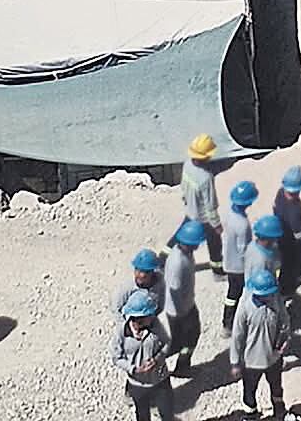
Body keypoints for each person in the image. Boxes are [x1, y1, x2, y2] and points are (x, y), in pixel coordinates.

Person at [229, 269, 289, 421]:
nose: (269, 297)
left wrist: (284, 340)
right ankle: (251, 415)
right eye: (266, 295)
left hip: (274, 358)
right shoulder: (245, 307)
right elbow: (237, 336)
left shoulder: (276, 300)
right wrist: (235, 362)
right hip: (251, 361)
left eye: (271, 293)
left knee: (276, 387)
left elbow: (284, 321)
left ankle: (279, 413)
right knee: (249, 390)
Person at [112, 291, 176, 421]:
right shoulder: (122, 332)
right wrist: (134, 369)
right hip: (137, 385)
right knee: (142, 416)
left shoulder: (156, 325)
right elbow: (116, 357)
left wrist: (158, 359)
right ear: (139, 318)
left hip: (160, 380)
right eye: (149, 314)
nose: (153, 316)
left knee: (167, 413)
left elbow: (167, 343)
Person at [163, 221, 203, 376]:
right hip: (181, 310)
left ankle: (175, 363)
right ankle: (181, 367)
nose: (198, 246)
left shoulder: (183, 253)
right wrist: (183, 313)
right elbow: (174, 290)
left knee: (178, 340)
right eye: (196, 243)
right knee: (190, 337)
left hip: (183, 306)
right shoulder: (177, 263)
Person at [222, 180, 261, 331]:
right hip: (238, 266)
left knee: (231, 294)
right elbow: (243, 250)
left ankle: (227, 321)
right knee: (239, 294)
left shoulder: (229, 214)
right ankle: (233, 322)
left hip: (228, 261)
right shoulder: (242, 224)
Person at [181, 134, 225, 269]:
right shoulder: (206, 177)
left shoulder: (187, 165)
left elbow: (183, 186)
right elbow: (210, 205)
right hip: (204, 219)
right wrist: (216, 224)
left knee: (181, 239)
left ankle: (162, 261)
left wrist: (186, 199)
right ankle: (218, 271)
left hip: (190, 212)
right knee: (215, 244)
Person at [273, 165, 301, 299]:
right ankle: (288, 292)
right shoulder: (295, 210)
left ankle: (285, 287)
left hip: (280, 238)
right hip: (292, 246)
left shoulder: (280, 194)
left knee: (285, 267)